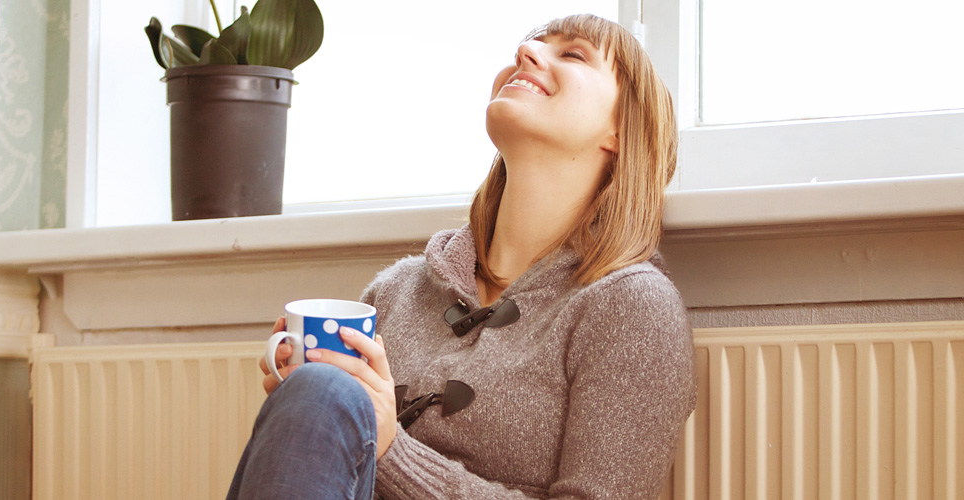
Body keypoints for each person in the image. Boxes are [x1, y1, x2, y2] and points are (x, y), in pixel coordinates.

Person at [227, 13, 696, 500]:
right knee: (320, 393)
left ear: (620, 132)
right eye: (531, 45)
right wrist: (310, 413)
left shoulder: (632, 309)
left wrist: (392, 450)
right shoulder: (396, 293)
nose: (526, 54)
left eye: (573, 53)